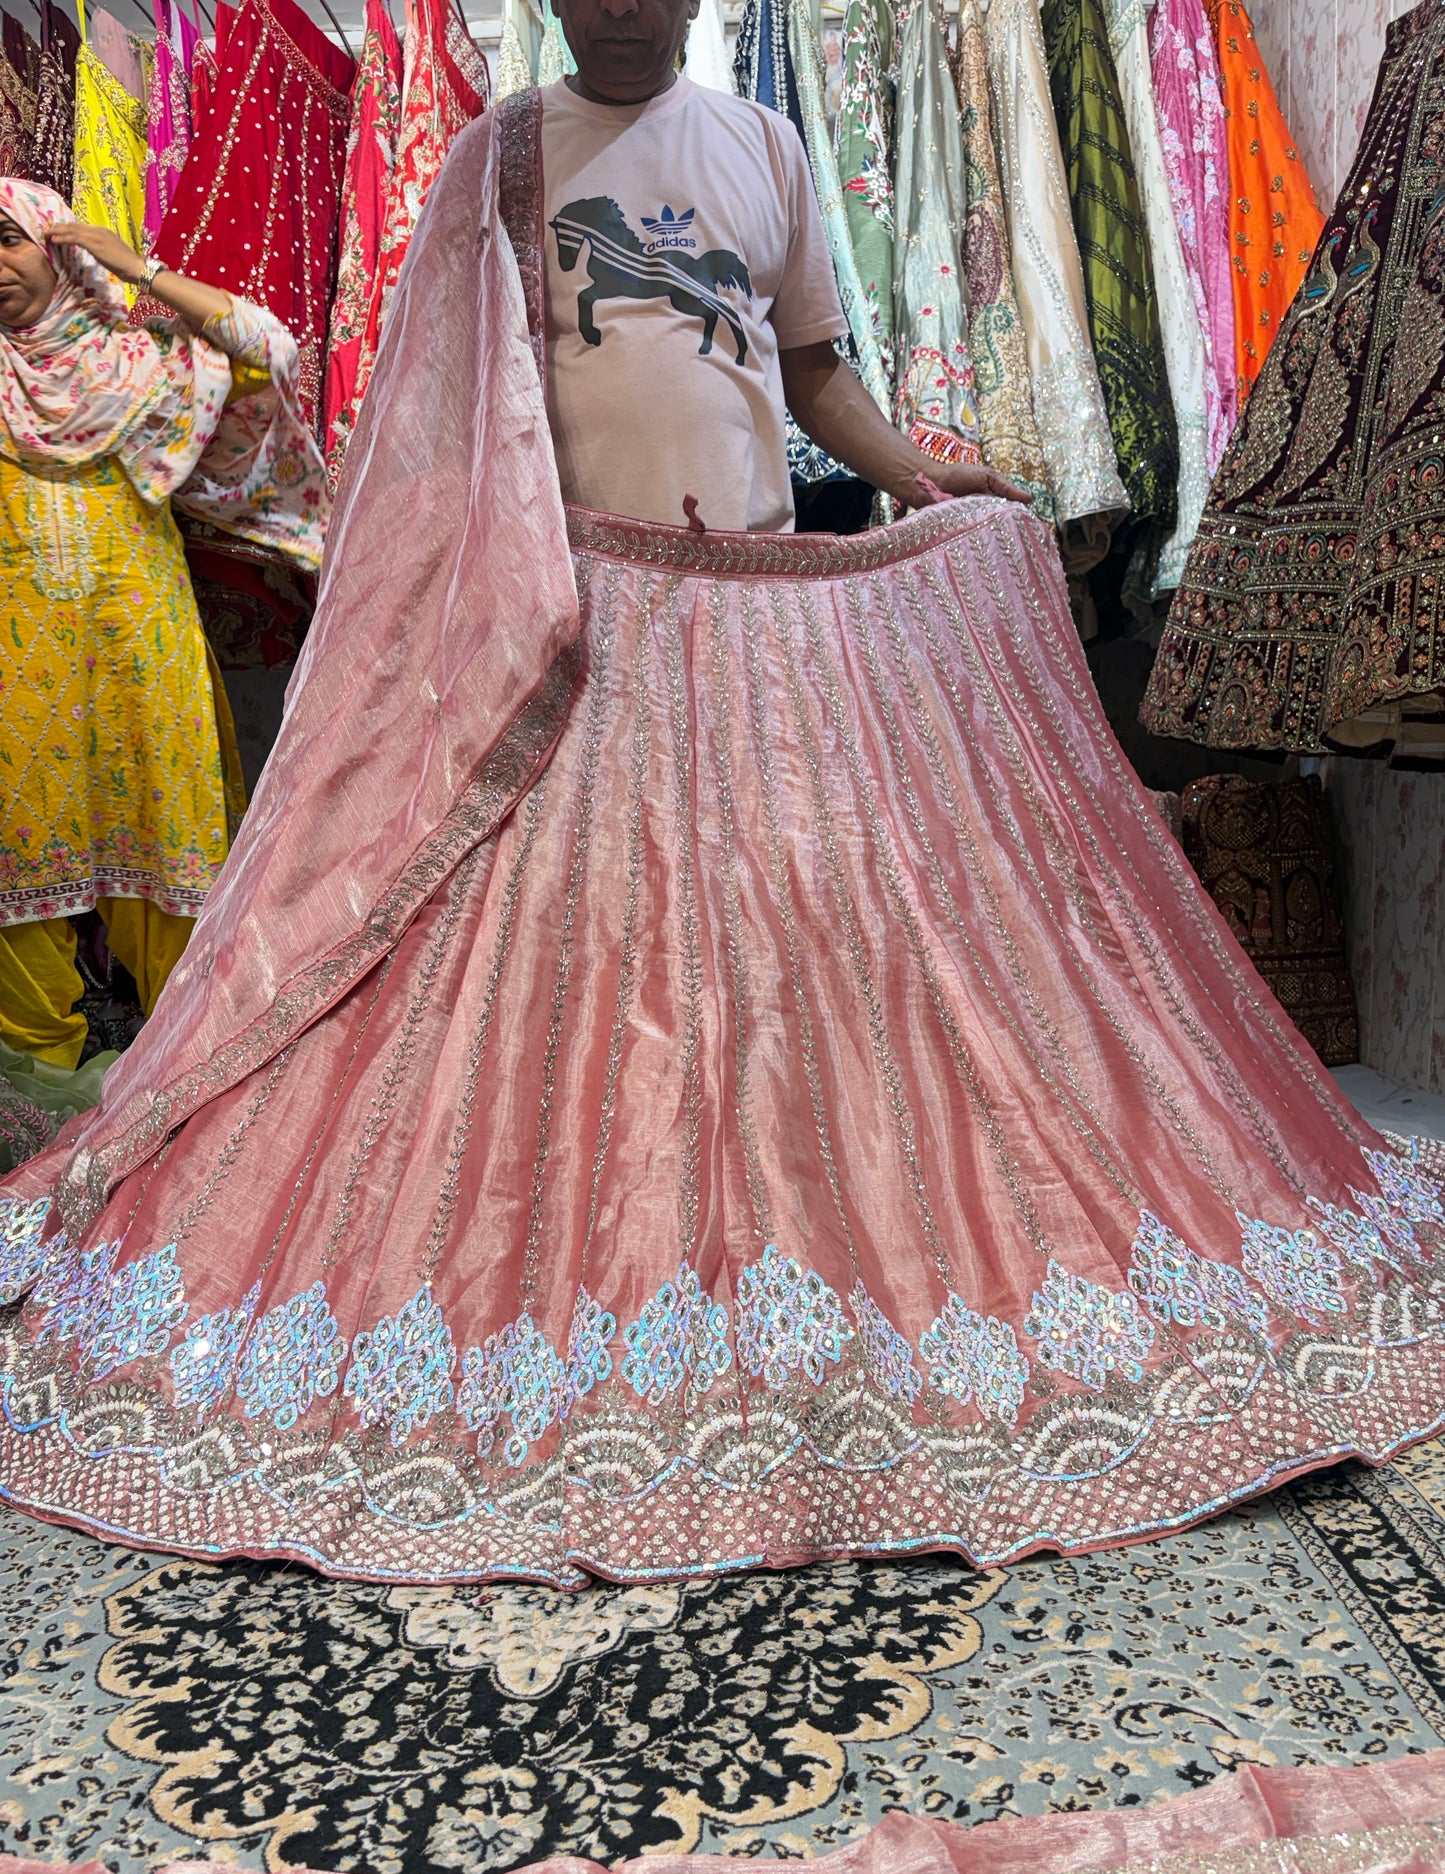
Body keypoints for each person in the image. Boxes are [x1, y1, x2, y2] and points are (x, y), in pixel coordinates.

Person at [0, 2, 1440, 1589]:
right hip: (580, 630)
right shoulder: (502, 152)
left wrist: (911, 479)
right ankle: (602, 1283)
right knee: (586, 978)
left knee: (791, 958)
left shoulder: (762, 143)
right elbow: (440, 409)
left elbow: (810, 371)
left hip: (757, 620)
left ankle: (818, 1279)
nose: (629, 10)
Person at [0, 182, 326, 1074]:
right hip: (14, 676)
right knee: (15, 870)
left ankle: (184, 1078)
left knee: (167, 841)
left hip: (140, 655)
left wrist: (139, 270)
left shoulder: (137, 365)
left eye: (9, 241)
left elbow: (271, 350)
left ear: (58, 249)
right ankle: (41, 1093)